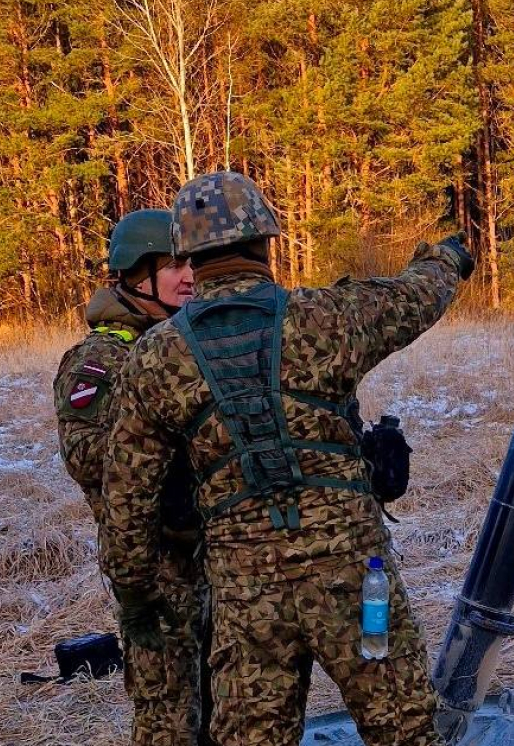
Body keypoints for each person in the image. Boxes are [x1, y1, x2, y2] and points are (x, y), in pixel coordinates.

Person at [100, 171, 473, 746]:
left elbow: (125, 504)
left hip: (247, 600)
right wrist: (446, 259)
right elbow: (415, 296)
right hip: (356, 583)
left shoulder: (156, 359)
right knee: (402, 725)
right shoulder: (324, 319)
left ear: (188, 253)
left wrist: (138, 601)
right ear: (264, 241)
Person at [53, 208, 213, 746]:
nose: (189, 276)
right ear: (133, 275)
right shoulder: (102, 359)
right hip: (156, 574)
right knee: (169, 717)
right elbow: (86, 458)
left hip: (214, 562)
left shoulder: (184, 347)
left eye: (191, 262)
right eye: (172, 266)